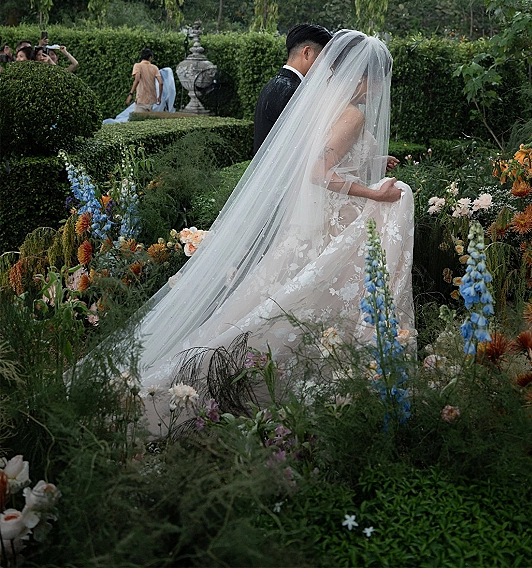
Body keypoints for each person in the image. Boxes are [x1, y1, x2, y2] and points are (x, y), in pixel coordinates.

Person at [136, 30, 415, 412]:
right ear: (363, 77)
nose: (380, 88)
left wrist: (370, 164)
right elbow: (318, 172)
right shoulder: (352, 112)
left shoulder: (324, 106)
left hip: (311, 225)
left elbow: (319, 160)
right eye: (379, 78)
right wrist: (375, 193)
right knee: (294, 304)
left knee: (279, 303)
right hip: (327, 229)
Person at [253, 23, 333, 154]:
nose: (326, 66)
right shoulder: (291, 92)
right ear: (307, 53)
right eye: (324, 59)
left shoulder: (276, 84)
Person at [127, 49, 163, 113]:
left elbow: (137, 80)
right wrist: (159, 97)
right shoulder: (154, 67)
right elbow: (161, 83)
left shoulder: (137, 66)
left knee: (138, 121)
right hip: (152, 100)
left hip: (141, 99)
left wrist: (130, 94)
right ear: (150, 57)